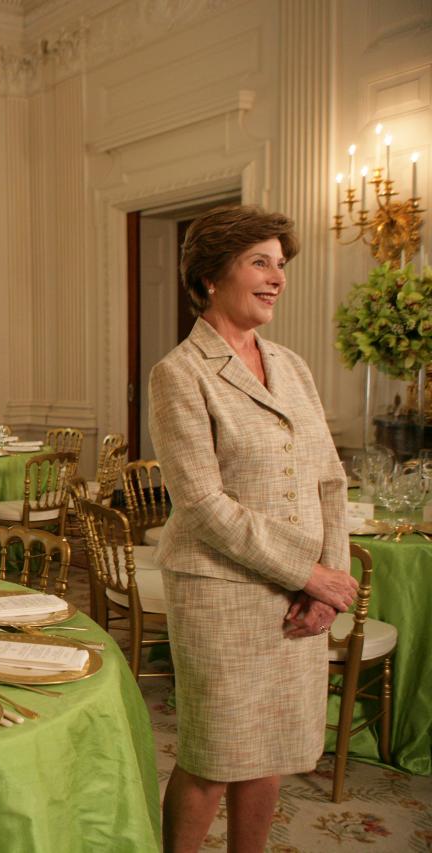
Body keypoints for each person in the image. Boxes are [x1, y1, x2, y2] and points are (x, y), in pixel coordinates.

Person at [148, 205, 359, 853]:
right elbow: (204, 505)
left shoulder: (292, 366)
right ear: (211, 276)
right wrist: (307, 571)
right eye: (260, 262)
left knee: (270, 751)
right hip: (221, 596)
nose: (277, 278)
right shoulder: (179, 373)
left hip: (301, 597)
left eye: (282, 265)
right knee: (215, 757)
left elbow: (330, 479)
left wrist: (328, 587)